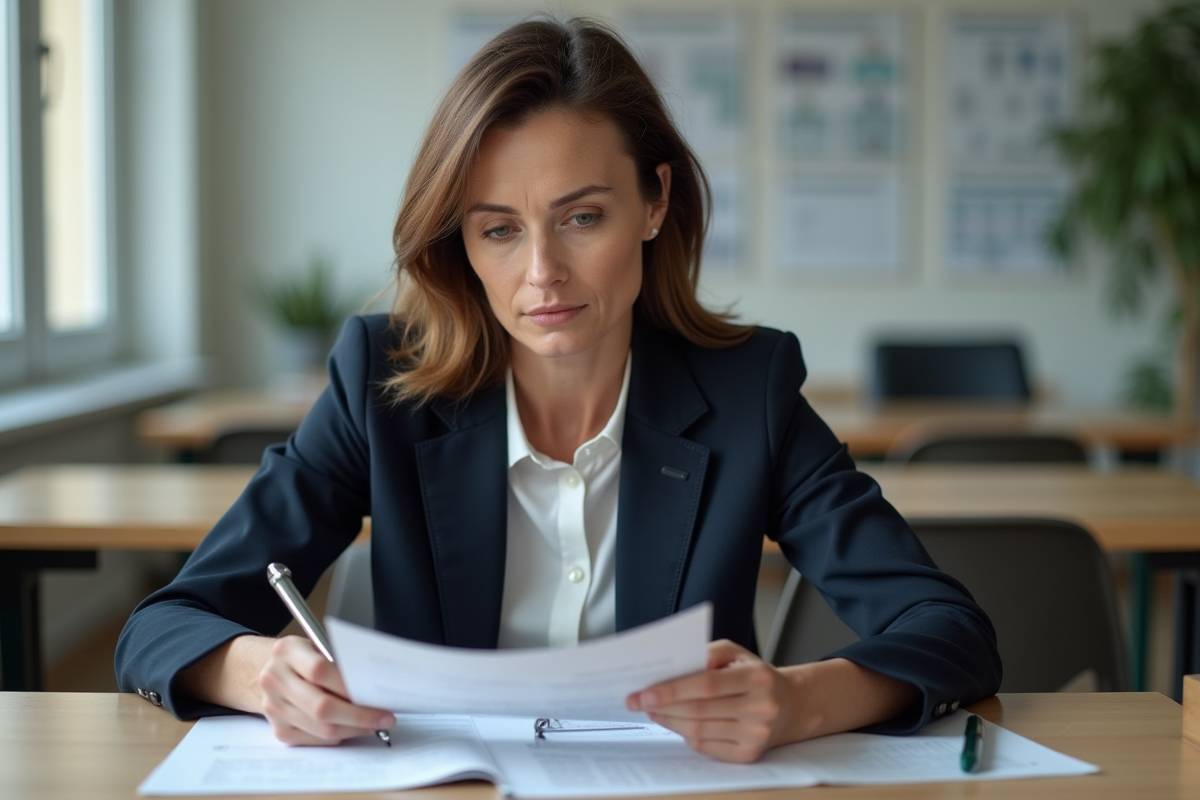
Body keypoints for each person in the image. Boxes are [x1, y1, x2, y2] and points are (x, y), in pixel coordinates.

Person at [116, 17, 1000, 764]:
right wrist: (257, 673)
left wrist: (801, 702)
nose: (542, 273)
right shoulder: (381, 385)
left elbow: (947, 628)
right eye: (498, 230)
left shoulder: (747, 392)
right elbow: (166, 623)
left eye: (582, 217)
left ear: (655, 202)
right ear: (458, 242)